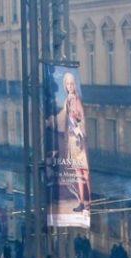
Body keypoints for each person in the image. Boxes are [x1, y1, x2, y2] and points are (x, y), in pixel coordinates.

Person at [49, 71, 91, 213]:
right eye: (67, 84)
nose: (70, 86)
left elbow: (80, 117)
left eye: (72, 83)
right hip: (72, 140)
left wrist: (76, 116)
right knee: (78, 172)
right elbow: (63, 116)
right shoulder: (68, 100)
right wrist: (51, 121)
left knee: (84, 172)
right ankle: (81, 201)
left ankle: (87, 201)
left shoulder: (76, 100)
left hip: (79, 140)